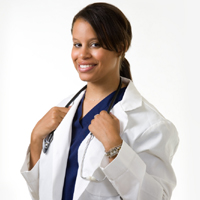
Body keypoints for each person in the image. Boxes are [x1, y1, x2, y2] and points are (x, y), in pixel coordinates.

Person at [21, 2, 179, 200]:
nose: (83, 55)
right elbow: (41, 193)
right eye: (77, 44)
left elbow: (159, 197)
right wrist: (36, 139)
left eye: (95, 44)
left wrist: (116, 149)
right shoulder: (64, 110)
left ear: (121, 47)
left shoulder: (150, 124)